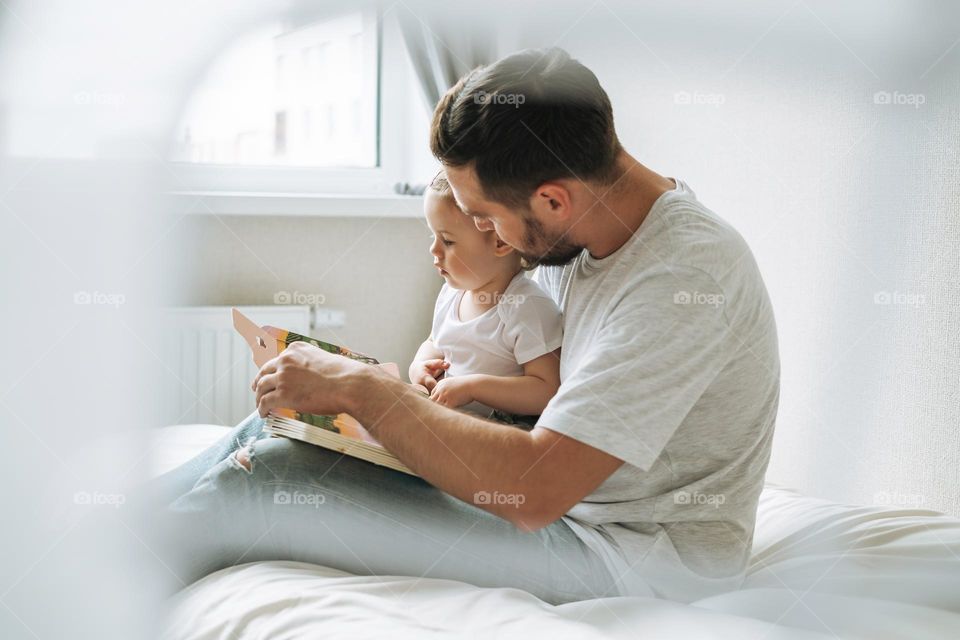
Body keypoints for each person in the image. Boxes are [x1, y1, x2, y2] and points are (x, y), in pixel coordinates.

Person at [139, 47, 779, 605]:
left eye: (485, 218)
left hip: (623, 558)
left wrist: (368, 392)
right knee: (280, 426)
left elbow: (536, 490)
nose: (488, 237)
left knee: (270, 479)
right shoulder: (574, 236)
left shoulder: (682, 279)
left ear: (553, 199)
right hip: (563, 511)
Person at [410, 172, 562, 424]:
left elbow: (547, 390)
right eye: (433, 236)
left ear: (501, 242)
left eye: (447, 240)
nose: (433, 250)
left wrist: (473, 388)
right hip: (451, 423)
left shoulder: (526, 307)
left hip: (502, 432)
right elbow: (435, 341)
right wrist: (421, 363)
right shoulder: (451, 293)